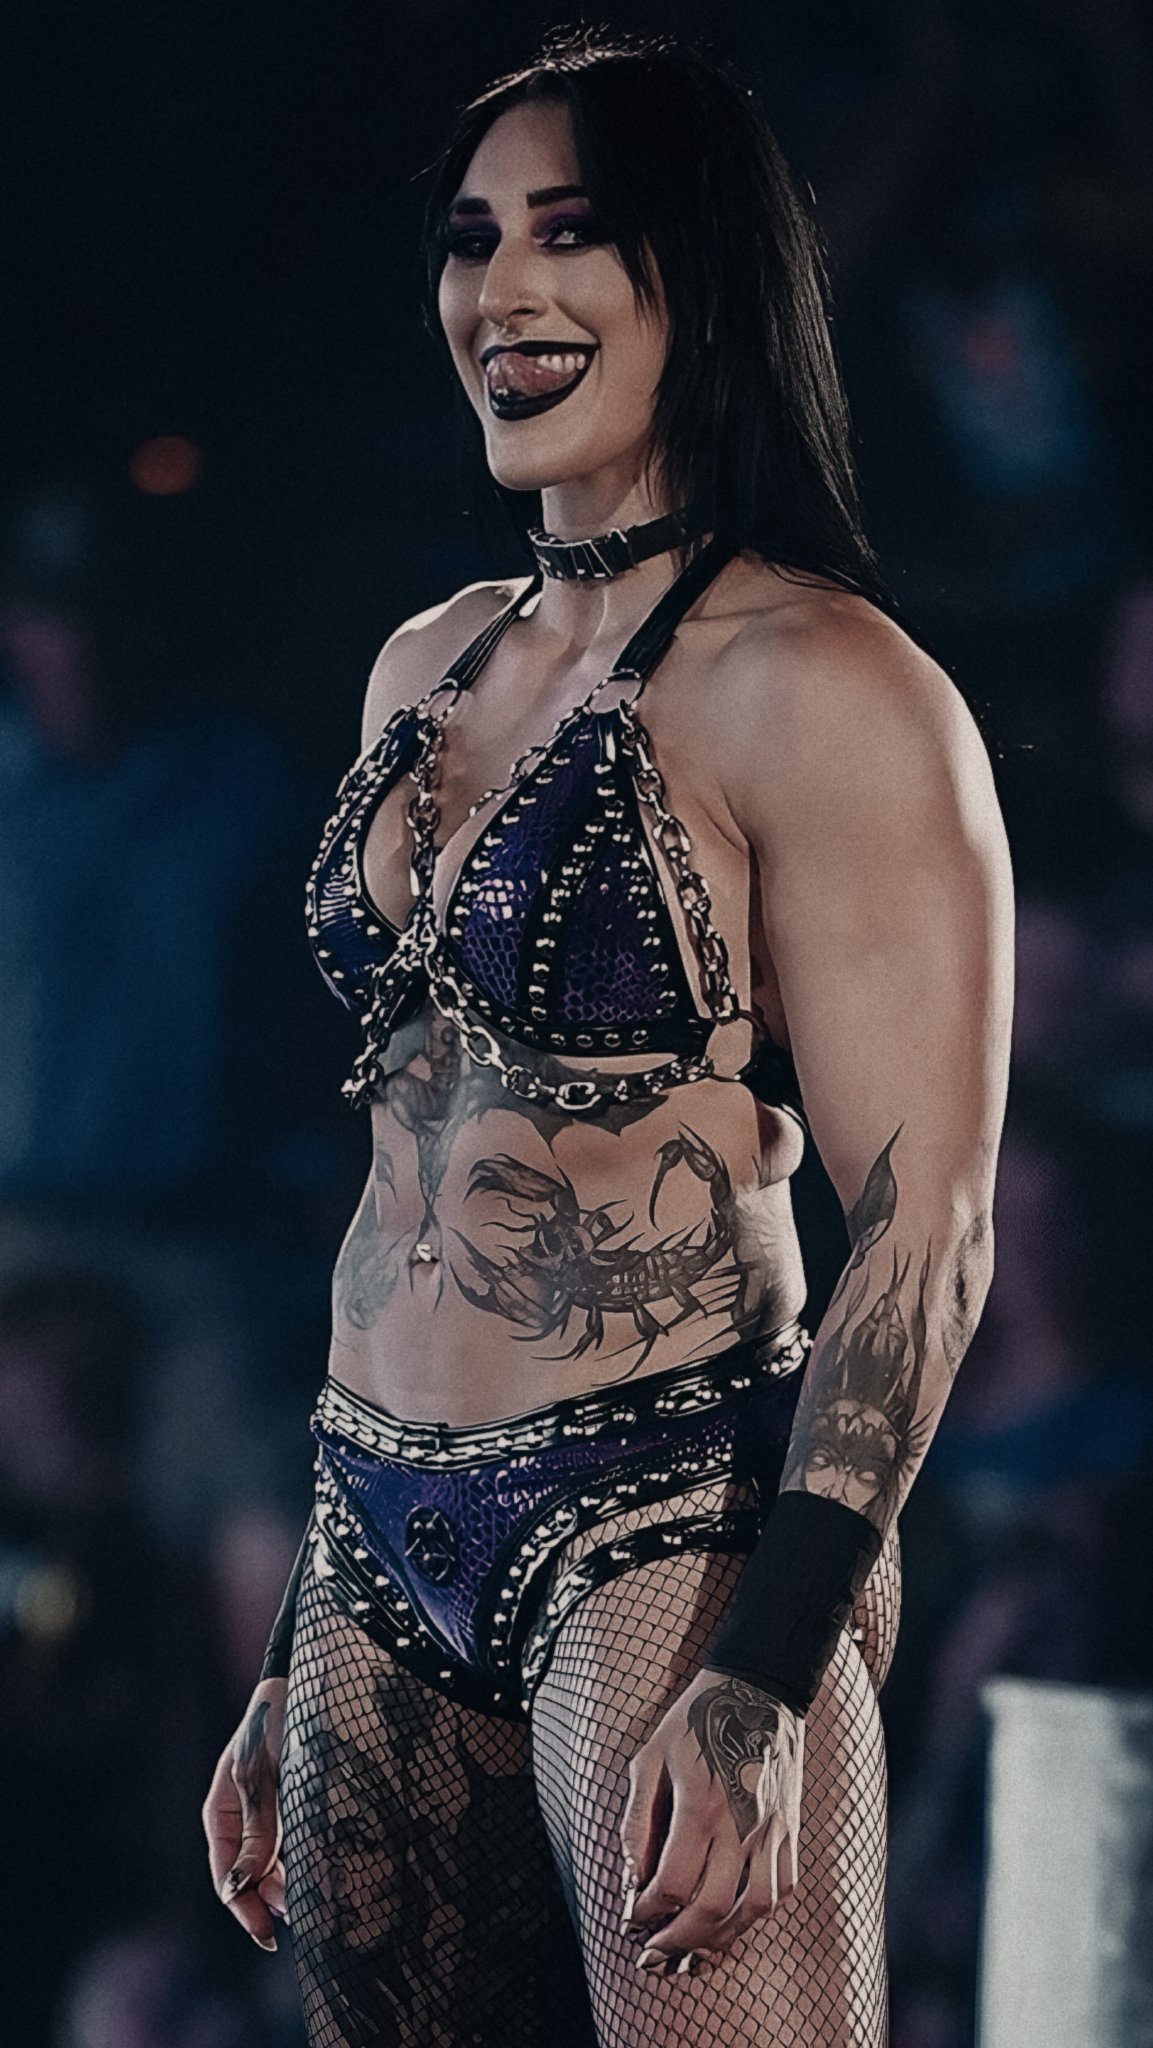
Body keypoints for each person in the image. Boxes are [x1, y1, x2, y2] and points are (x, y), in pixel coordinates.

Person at [202, 29, 1012, 2048]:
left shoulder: (826, 684)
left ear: (699, 270)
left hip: (666, 1523)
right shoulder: (427, 662)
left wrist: (767, 1669)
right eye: (471, 240)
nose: (504, 289)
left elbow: (925, 1228)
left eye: (569, 232)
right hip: (374, 1529)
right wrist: (298, 1635)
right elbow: (406, 1166)